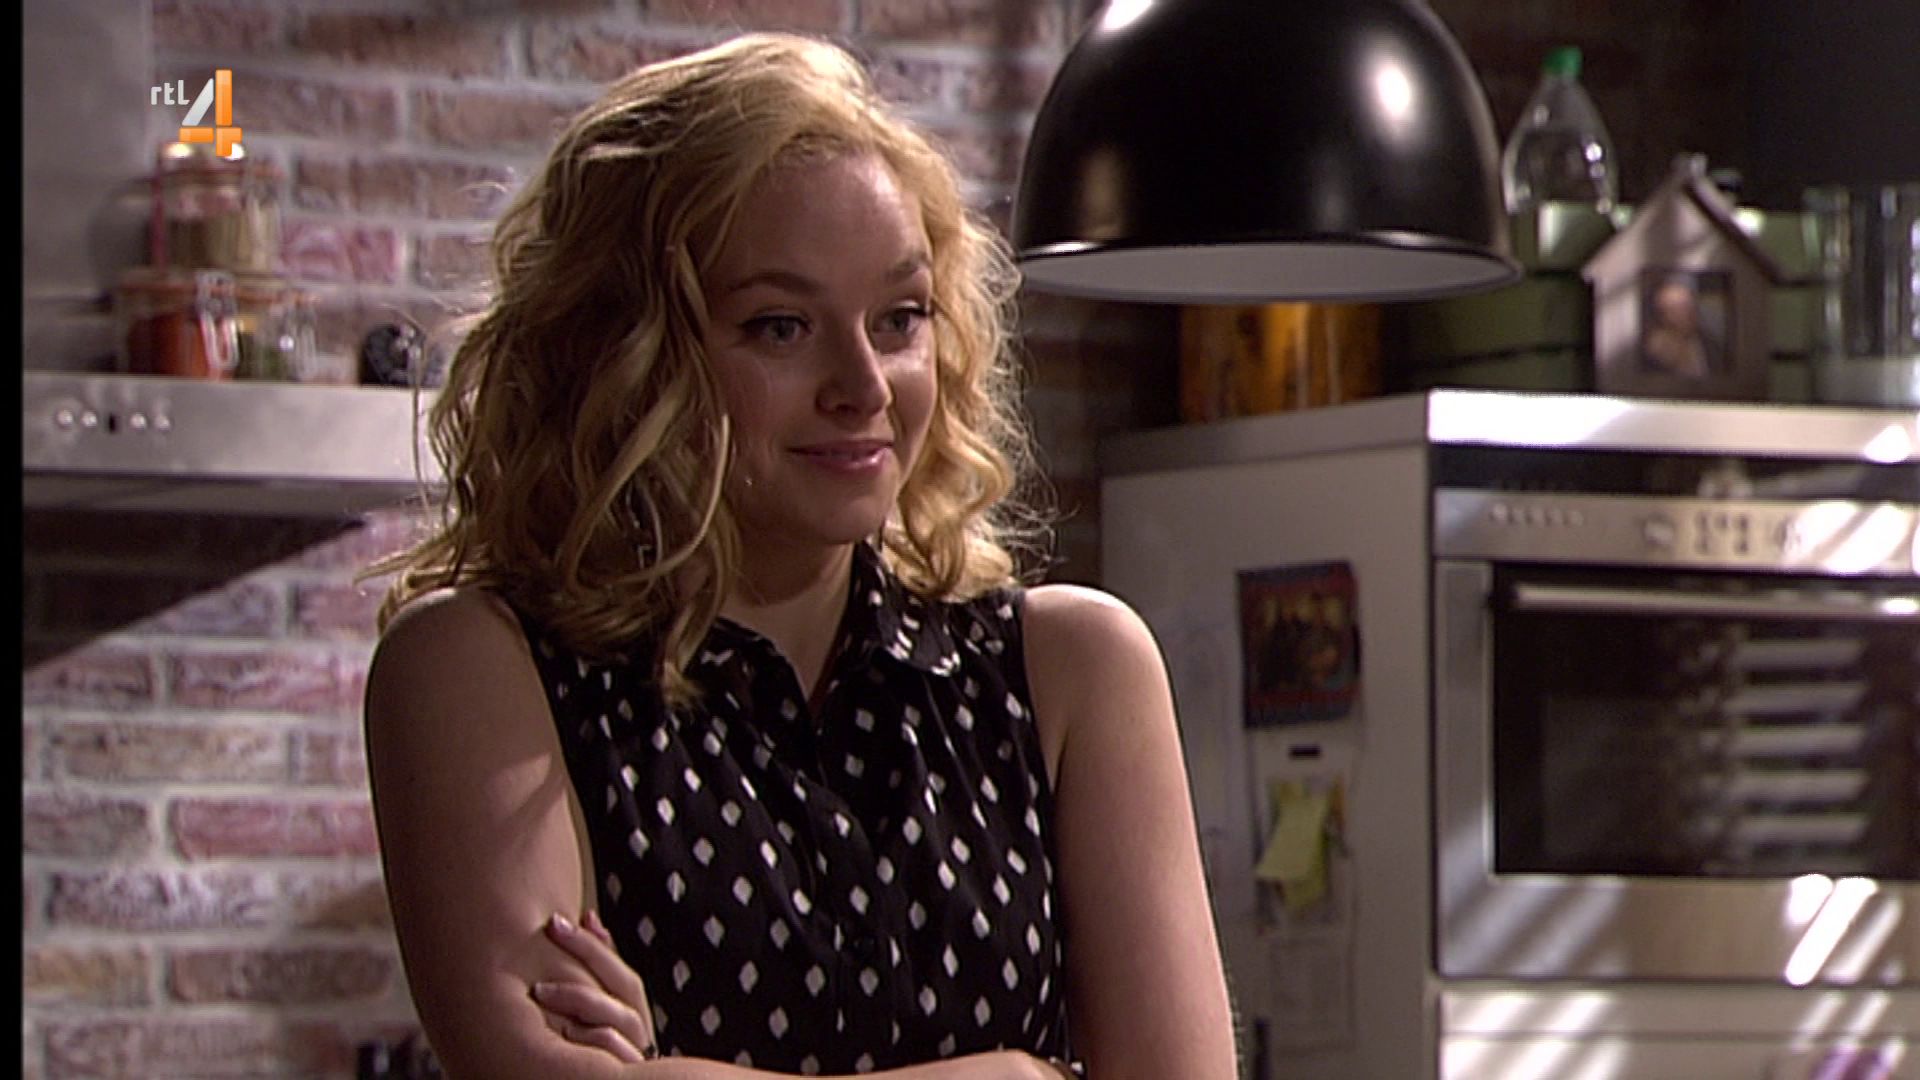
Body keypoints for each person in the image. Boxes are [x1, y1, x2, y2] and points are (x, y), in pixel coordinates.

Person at [361, 31, 1237, 1080]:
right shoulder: (477, 668)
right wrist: (1010, 1076)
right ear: (627, 354)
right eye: (781, 327)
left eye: (899, 319)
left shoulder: (1072, 669)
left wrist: (669, 1070)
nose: (863, 385)